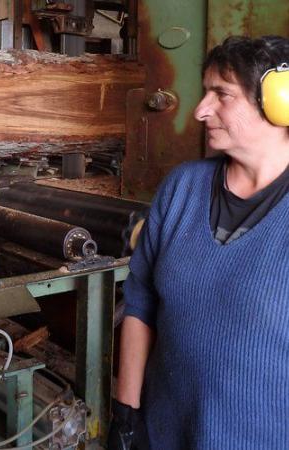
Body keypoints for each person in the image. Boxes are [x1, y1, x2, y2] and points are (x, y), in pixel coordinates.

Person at [108, 35, 289, 450]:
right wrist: (126, 415)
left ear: (279, 102)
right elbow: (140, 305)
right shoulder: (182, 188)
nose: (200, 110)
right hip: (165, 433)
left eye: (221, 95)